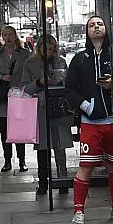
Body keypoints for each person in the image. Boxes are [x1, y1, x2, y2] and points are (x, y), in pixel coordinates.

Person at [65, 15, 113, 224]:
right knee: (86, 166)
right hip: (91, 122)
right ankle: (78, 212)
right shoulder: (79, 58)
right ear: (86, 31)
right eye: (92, 25)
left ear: (106, 29)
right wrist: (86, 106)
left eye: (100, 24)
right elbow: (70, 89)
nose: (96, 27)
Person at [22, 34, 74, 196]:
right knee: (43, 149)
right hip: (41, 108)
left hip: (59, 107)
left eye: (52, 49)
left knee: (60, 147)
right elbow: (25, 88)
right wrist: (39, 82)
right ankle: (43, 182)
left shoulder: (61, 62)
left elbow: (69, 84)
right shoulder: (30, 63)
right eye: (46, 48)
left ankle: (62, 179)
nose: (50, 52)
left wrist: (60, 80)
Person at [0, 25, 31, 173]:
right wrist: (0, 76)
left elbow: (31, 72)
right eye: (5, 35)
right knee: (5, 132)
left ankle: (22, 160)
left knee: (19, 130)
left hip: (19, 95)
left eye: (10, 34)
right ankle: (7, 161)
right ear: (2, 37)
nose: (8, 37)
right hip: (2, 96)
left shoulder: (25, 53)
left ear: (15, 36)